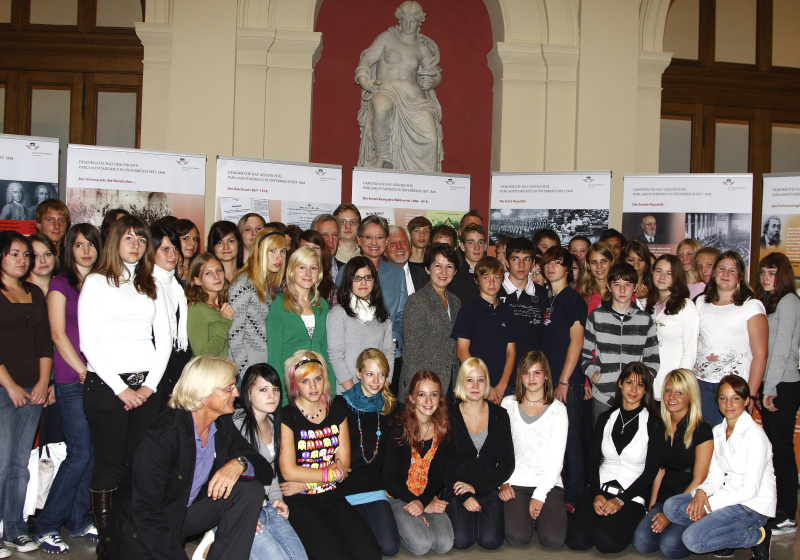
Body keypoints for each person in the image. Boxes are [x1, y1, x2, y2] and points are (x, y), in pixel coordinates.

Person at [102, 356, 270, 560]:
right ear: (203, 394)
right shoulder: (163, 436)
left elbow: (264, 469)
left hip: (181, 514)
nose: (236, 393)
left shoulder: (222, 423)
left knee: (249, 490)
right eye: (229, 388)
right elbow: (145, 513)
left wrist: (239, 464)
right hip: (140, 531)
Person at [78, 215, 172, 540]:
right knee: (109, 465)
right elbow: (87, 343)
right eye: (129, 238)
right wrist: (122, 389)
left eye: (142, 240)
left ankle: (128, 537)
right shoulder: (96, 282)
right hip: (106, 387)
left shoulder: (152, 283)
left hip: (147, 387)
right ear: (115, 241)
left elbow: (165, 341)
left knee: (137, 466)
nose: (136, 245)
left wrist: (147, 388)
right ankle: (107, 542)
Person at [31, 224, 102, 553]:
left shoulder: (104, 282)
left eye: (91, 244)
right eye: (78, 245)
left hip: (100, 378)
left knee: (90, 454)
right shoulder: (60, 283)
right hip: (71, 377)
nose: (86, 250)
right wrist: (81, 369)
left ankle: (77, 519)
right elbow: (58, 334)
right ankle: (46, 524)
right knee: (79, 453)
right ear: (69, 250)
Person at [279, 350, 382, 560]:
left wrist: (309, 482)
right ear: (295, 383)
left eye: (317, 379)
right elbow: (289, 472)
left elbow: (343, 466)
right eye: (305, 381)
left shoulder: (336, 410)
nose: (313, 387)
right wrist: (329, 475)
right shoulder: (286, 416)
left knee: (371, 553)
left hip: (331, 495)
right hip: (300, 502)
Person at [663, 375, 776, 560]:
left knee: (693, 540)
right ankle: (719, 534)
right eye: (723, 398)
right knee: (671, 507)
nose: (728, 404)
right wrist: (701, 493)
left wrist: (709, 506)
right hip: (727, 499)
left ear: (747, 400)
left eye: (735, 398)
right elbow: (715, 475)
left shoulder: (755, 436)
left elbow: (750, 489)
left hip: (752, 505)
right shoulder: (718, 431)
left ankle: (757, 537)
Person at [565, 363, 664, 553]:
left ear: (646, 390)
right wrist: (596, 494)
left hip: (631, 495)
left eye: (640, 385)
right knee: (577, 540)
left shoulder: (654, 423)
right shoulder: (606, 418)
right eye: (629, 382)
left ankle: (623, 523)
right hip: (600, 489)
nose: (633, 389)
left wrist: (621, 500)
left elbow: (651, 471)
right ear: (620, 384)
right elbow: (592, 461)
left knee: (605, 542)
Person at [0, 231, 53, 556]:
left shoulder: (34, 292)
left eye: (25, 255)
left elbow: (44, 343)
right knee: (2, 462)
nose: (22, 260)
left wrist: (42, 383)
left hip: (32, 391)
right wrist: (10, 385)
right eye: (14, 254)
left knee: (20, 464)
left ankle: (15, 530)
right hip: (5, 389)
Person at [227, 363, 307, 560]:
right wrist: (240, 515)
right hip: (242, 510)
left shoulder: (274, 423)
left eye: (275, 389)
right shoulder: (236, 425)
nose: (272, 395)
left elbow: (270, 474)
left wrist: (277, 499)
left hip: (267, 506)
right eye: (263, 389)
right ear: (247, 393)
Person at [632, 369, 713, 559]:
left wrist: (671, 515)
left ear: (690, 396)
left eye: (679, 392)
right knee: (642, 542)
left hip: (689, 500)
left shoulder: (703, 430)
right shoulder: (661, 426)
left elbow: (700, 478)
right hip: (665, 497)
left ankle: (700, 526)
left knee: (669, 547)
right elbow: (660, 470)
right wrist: (652, 506)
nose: (671, 397)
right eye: (668, 391)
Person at [355, 1, 443, 172]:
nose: (409, 25)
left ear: (420, 22)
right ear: (400, 19)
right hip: (387, 90)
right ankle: (382, 157)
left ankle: (427, 185)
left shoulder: (423, 48)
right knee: (380, 108)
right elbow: (366, 60)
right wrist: (365, 81)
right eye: (405, 20)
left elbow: (435, 74)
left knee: (431, 139)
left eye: (413, 21)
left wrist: (431, 82)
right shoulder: (386, 39)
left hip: (415, 99)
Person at [444, 357, 514, 550]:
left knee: (490, 541)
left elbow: (507, 463)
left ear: (487, 383)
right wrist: (463, 495)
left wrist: (478, 489)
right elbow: (443, 464)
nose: (475, 385)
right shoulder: (448, 416)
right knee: (461, 541)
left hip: (488, 487)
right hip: (458, 489)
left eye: (480, 380)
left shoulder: (500, 415)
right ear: (461, 383)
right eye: (469, 380)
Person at [500, 352, 568, 549]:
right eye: (526, 373)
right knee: (517, 538)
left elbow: (557, 461)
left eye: (536, 373)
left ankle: (541, 517)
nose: (531, 379)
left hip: (548, 484)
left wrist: (539, 495)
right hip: (516, 483)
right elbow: (499, 450)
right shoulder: (508, 404)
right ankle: (529, 518)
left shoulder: (558, 410)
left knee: (553, 541)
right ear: (520, 376)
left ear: (546, 375)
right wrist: (503, 483)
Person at [338, 349, 401, 557]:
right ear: (358, 373)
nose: (376, 381)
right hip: (345, 490)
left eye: (381, 374)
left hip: (375, 489)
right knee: (361, 550)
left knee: (390, 547)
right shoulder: (340, 405)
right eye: (369, 374)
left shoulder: (390, 407)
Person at [693, 251, 767, 426]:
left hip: (734, 389)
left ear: (741, 275)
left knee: (729, 443)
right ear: (714, 273)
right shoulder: (700, 302)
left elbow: (760, 354)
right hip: (701, 385)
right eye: (721, 269)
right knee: (704, 441)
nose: (725, 274)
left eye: (732, 270)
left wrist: (750, 394)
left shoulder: (751, 306)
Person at [384, 370, 454, 555]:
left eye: (434, 395)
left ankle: (416, 516)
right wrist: (417, 502)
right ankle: (394, 521)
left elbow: (437, 476)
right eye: (422, 395)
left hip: (426, 494)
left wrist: (424, 502)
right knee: (422, 545)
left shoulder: (442, 429)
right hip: (399, 496)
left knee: (445, 544)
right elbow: (389, 479)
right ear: (411, 398)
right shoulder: (399, 428)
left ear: (440, 398)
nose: (428, 401)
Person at [540, 246, 588, 510]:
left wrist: (564, 381)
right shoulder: (550, 299)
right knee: (554, 444)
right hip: (549, 384)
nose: (551, 267)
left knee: (571, 444)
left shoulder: (572, 300)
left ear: (568, 269)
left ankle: (573, 499)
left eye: (558, 263)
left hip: (566, 385)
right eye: (547, 263)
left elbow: (576, 342)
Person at [755, 252, 800, 534]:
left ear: (782, 275)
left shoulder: (789, 302)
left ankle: (787, 514)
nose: (765, 278)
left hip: (783, 385)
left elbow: (782, 351)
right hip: (772, 384)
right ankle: (778, 508)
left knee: (782, 451)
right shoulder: (771, 303)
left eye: (772, 272)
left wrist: (769, 389)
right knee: (775, 450)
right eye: (762, 272)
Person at [582, 262, 660, 422]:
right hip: (602, 397)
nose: (622, 290)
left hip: (634, 397)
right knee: (600, 443)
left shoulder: (645, 320)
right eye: (617, 284)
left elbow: (653, 359)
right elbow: (585, 355)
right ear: (609, 287)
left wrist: (640, 384)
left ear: (635, 287)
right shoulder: (596, 316)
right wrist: (596, 377)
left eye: (627, 284)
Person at [337, 216, 407, 370]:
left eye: (379, 237)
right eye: (368, 237)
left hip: (389, 354)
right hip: (354, 354)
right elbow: (339, 312)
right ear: (359, 240)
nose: (374, 243)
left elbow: (402, 314)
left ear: (386, 240)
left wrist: (394, 339)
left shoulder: (397, 273)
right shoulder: (346, 271)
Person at [268, 247, 334, 404]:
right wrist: (282, 396)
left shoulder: (321, 305)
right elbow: (275, 356)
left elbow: (325, 349)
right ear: (291, 271)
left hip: (317, 388)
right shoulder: (279, 305)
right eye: (302, 268)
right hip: (290, 387)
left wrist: (331, 389)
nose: (308, 274)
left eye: (313, 268)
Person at [400, 243, 461, 401]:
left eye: (449, 266)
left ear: (455, 271)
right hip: (424, 387)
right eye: (438, 265)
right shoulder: (417, 301)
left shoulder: (456, 302)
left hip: (450, 384)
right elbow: (411, 352)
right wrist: (416, 391)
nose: (443, 272)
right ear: (427, 269)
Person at [452, 256, 517, 402]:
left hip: (502, 389)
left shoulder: (507, 311)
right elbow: (462, 351)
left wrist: (502, 385)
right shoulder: (468, 309)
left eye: (496, 277)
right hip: (474, 386)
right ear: (477, 280)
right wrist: (485, 386)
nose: (492, 282)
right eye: (486, 277)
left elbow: (511, 351)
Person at [327, 257, 395, 394]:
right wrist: (354, 393)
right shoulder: (338, 314)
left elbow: (389, 353)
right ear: (348, 281)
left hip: (377, 392)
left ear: (374, 281)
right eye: (357, 278)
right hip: (347, 393)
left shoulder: (383, 316)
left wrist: (384, 387)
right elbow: (335, 356)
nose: (363, 282)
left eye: (368, 277)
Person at [228, 229, 286, 378]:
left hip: (262, 367)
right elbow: (234, 335)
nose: (278, 257)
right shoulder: (244, 283)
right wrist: (248, 375)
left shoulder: (267, 284)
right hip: (245, 371)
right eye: (272, 251)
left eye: (283, 251)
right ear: (260, 251)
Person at [645, 255, 699, 398]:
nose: (662, 277)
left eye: (669, 273)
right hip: (649, 383)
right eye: (658, 271)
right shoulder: (648, 305)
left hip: (673, 385)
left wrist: (679, 383)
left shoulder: (686, 306)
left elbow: (690, 349)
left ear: (677, 277)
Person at [151, 224, 192, 410]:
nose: (172, 255)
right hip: (156, 374)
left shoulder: (175, 284)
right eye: (165, 250)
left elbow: (182, 338)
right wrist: (166, 377)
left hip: (178, 371)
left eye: (175, 249)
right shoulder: (147, 285)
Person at [499, 238, 548, 371]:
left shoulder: (543, 296)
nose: (521, 265)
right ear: (506, 262)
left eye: (526, 259)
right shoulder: (495, 291)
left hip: (531, 373)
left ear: (532, 263)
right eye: (515, 259)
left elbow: (544, 339)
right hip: (499, 373)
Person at [186, 254, 233, 358]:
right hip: (208, 372)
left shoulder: (225, 303)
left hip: (228, 371)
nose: (216, 276)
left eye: (219, 270)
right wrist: (225, 323)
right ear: (197, 280)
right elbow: (202, 355)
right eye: (208, 273)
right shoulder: (197, 310)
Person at [447, 223, 486, 306]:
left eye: (480, 242)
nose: (477, 247)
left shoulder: (493, 277)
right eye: (471, 243)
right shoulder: (454, 278)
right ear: (462, 246)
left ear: (485, 246)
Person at [299, 229, 337, 306]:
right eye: (306, 247)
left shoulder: (331, 289)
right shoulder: (287, 284)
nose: (311, 251)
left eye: (315, 248)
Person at [575, 242, 614, 313]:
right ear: (588, 265)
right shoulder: (580, 294)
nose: (599, 266)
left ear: (611, 262)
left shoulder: (623, 290)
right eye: (594, 262)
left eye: (603, 261)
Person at [386, 225, 424, 295]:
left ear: (410, 247)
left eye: (403, 241)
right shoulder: (377, 277)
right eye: (393, 243)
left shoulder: (425, 274)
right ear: (384, 251)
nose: (399, 246)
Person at [311, 213, 343, 280]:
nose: (330, 240)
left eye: (334, 234)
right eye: (324, 235)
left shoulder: (346, 270)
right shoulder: (306, 271)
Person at [623, 238, 654, 306]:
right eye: (631, 260)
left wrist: (643, 300)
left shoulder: (655, 288)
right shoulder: (617, 288)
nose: (636, 264)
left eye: (641, 260)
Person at [173, 218, 201, 283]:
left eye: (195, 239)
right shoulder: (167, 271)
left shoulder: (200, 269)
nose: (192, 243)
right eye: (185, 238)